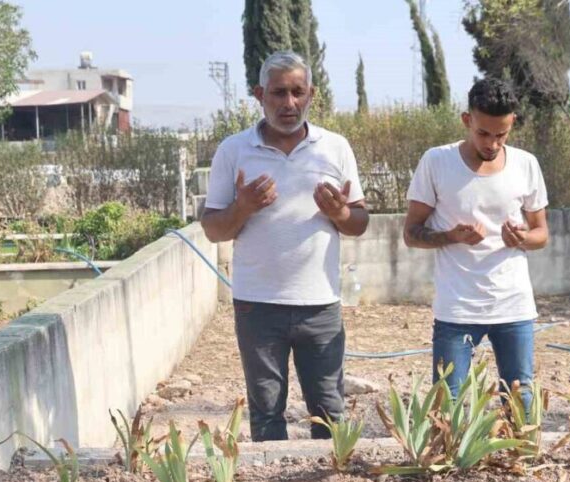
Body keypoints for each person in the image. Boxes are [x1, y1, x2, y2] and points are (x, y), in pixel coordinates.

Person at [201, 51, 369, 441]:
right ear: (260, 94)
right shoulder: (234, 151)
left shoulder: (336, 148)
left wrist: (341, 213)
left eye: (298, 92)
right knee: (265, 414)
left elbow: (359, 223)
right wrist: (242, 207)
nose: (289, 103)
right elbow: (213, 229)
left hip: (320, 304)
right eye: (279, 93)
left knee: (329, 413)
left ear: (312, 93)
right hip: (258, 306)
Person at [403, 77, 549, 407]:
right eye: (484, 133)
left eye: (502, 134)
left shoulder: (526, 164)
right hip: (457, 309)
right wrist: (450, 236)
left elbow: (541, 234)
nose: (493, 143)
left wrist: (523, 238)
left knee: (520, 397)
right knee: (446, 401)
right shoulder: (436, 162)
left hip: (513, 305)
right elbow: (411, 233)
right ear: (467, 120)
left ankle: (521, 459)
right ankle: (448, 461)